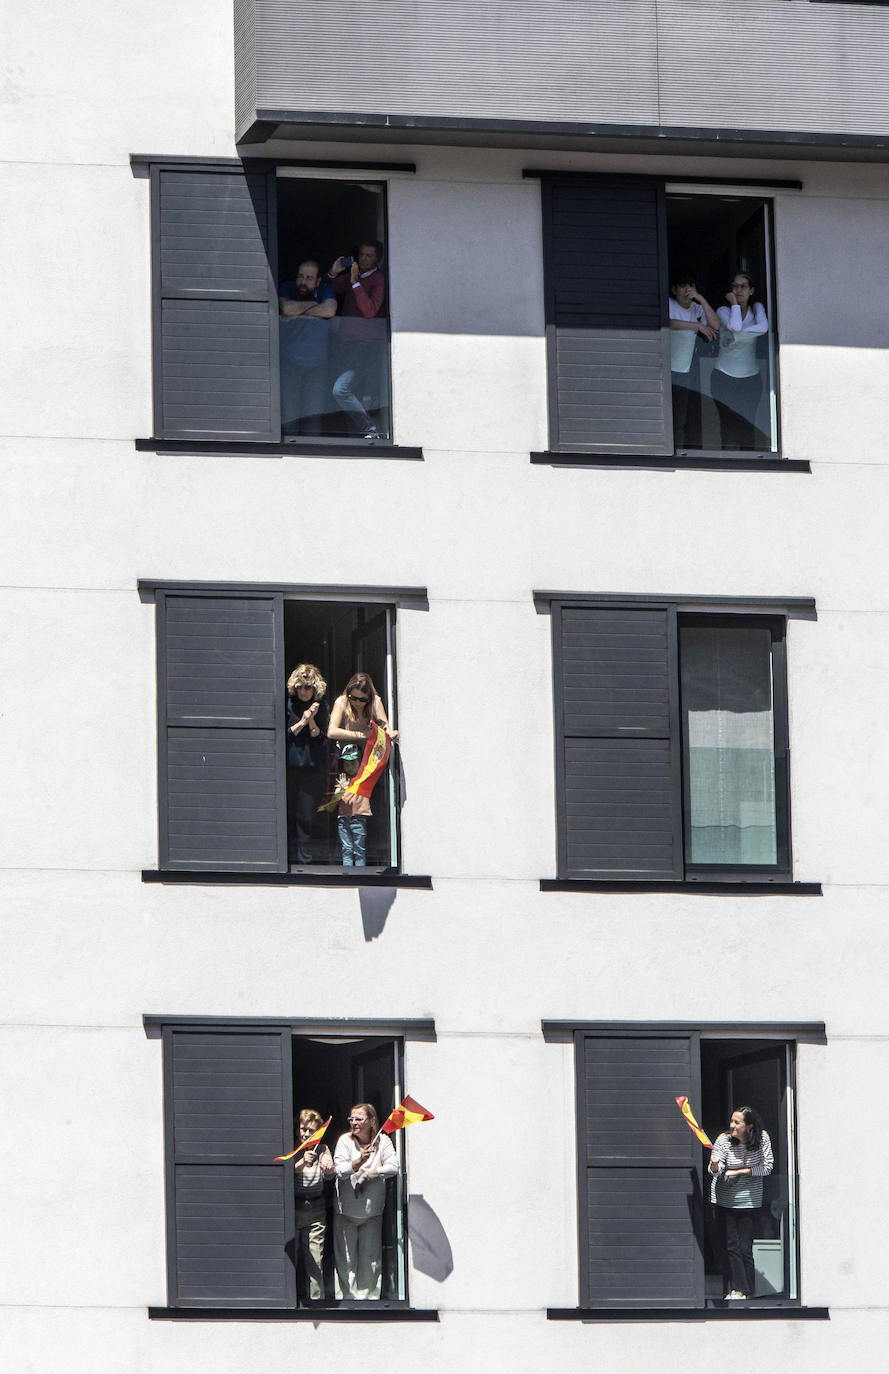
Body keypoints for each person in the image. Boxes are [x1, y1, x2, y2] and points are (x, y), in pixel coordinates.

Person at [327, 672, 398, 867]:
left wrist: (391, 733)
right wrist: (360, 734)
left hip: (367, 764)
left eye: (362, 699)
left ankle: (360, 864)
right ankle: (347, 863)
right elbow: (331, 731)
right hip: (346, 763)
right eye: (354, 698)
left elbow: (384, 728)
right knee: (345, 812)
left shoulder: (375, 703)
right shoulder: (342, 702)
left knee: (360, 814)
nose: (357, 703)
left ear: (369, 696)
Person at [333, 1102, 398, 1300]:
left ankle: (369, 1302)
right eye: (351, 1119)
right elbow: (339, 1170)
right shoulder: (345, 1141)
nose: (354, 1123)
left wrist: (370, 1174)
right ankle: (347, 1301)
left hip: (372, 1212)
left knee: (370, 1261)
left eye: (359, 1119)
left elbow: (393, 1167)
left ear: (371, 1121)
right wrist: (358, 1162)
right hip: (346, 1212)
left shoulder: (383, 1141)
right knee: (345, 1261)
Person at [709, 1105, 774, 1299]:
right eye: (731, 1121)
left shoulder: (762, 1139)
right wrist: (714, 1166)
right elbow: (717, 1170)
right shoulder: (723, 1140)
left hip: (750, 1200)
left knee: (746, 1246)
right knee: (731, 1245)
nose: (732, 1126)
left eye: (737, 1122)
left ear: (750, 1126)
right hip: (725, 1200)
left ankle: (747, 1290)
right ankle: (737, 1289)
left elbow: (768, 1167)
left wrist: (739, 1171)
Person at [327, 242, 387, 440]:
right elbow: (335, 287)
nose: (363, 259)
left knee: (341, 389)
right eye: (361, 255)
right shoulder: (356, 275)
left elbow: (369, 311)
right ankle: (357, 439)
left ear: (377, 259)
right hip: (346, 344)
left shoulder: (378, 279)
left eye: (369, 256)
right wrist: (334, 273)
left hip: (366, 346)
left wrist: (355, 283)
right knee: (352, 395)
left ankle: (369, 430)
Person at [278, 260, 337, 435]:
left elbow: (329, 311)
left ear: (318, 281)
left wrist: (300, 310)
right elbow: (285, 308)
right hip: (290, 361)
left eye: (309, 278)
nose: (303, 282)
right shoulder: (288, 288)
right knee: (289, 415)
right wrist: (313, 305)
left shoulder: (325, 289)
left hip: (317, 365)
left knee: (313, 415)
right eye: (301, 277)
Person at [713, 271, 770, 450]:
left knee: (748, 425)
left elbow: (764, 328)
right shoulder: (723, 310)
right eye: (734, 286)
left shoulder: (757, 308)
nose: (738, 290)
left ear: (751, 291)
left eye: (743, 286)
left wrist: (736, 338)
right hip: (723, 376)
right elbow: (735, 325)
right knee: (728, 426)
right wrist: (734, 305)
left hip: (751, 379)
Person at [668, 269, 720, 450]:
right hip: (665, 370)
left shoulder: (697, 308)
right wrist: (697, 325)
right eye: (682, 286)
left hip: (684, 372)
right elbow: (669, 323)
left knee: (681, 418)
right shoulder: (669, 304)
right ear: (674, 289)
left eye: (691, 286)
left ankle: (678, 452)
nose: (687, 290)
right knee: (666, 417)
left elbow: (715, 325)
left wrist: (702, 299)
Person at [286, 663, 330, 864]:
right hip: (290, 766)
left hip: (312, 767)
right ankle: (288, 856)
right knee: (288, 809)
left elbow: (320, 738)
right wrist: (303, 721)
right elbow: (284, 735)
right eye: (300, 687)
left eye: (308, 687)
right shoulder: (288, 705)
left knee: (307, 814)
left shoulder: (322, 707)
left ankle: (305, 858)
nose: (304, 691)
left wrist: (312, 719)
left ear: (315, 687)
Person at [293, 1108, 335, 1300]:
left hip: (316, 1210)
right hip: (293, 1208)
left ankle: (316, 1303)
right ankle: (293, 1300)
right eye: (303, 1129)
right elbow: (284, 1172)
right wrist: (302, 1162)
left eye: (312, 1131)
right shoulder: (291, 1146)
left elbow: (330, 1172)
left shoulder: (323, 1148)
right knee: (292, 1258)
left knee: (315, 1259)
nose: (306, 1134)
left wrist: (328, 1167)